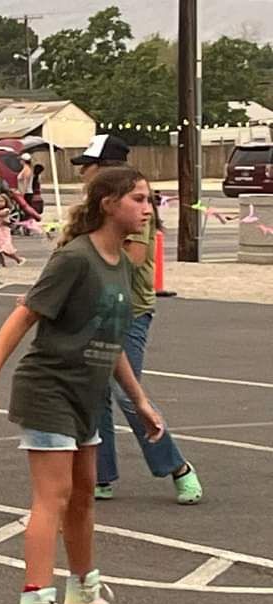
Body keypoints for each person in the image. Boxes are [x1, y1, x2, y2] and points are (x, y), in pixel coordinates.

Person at [0, 166, 163, 604]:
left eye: (150, 199)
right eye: (139, 199)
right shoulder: (75, 259)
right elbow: (23, 315)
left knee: (83, 497)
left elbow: (112, 338)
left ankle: (82, 596)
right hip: (48, 388)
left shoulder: (124, 262)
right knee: (51, 499)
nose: (147, 208)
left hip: (86, 395)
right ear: (107, 203)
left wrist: (140, 400)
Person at [68, 135, 203, 505]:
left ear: (108, 169)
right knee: (94, 393)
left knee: (129, 393)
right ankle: (102, 474)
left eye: (89, 166)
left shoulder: (133, 209)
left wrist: (89, 262)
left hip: (130, 311)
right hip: (95, 310)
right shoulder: (92, 211)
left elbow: (135, 259)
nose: (83, 173)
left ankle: (177, 467)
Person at [0, 193, 25, 266]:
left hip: (4, 231)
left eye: (2, 201)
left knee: (5, 249)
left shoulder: (6, 210)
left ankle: (18, 259)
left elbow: (0, 214)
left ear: (6, 202)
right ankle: (3, 264)